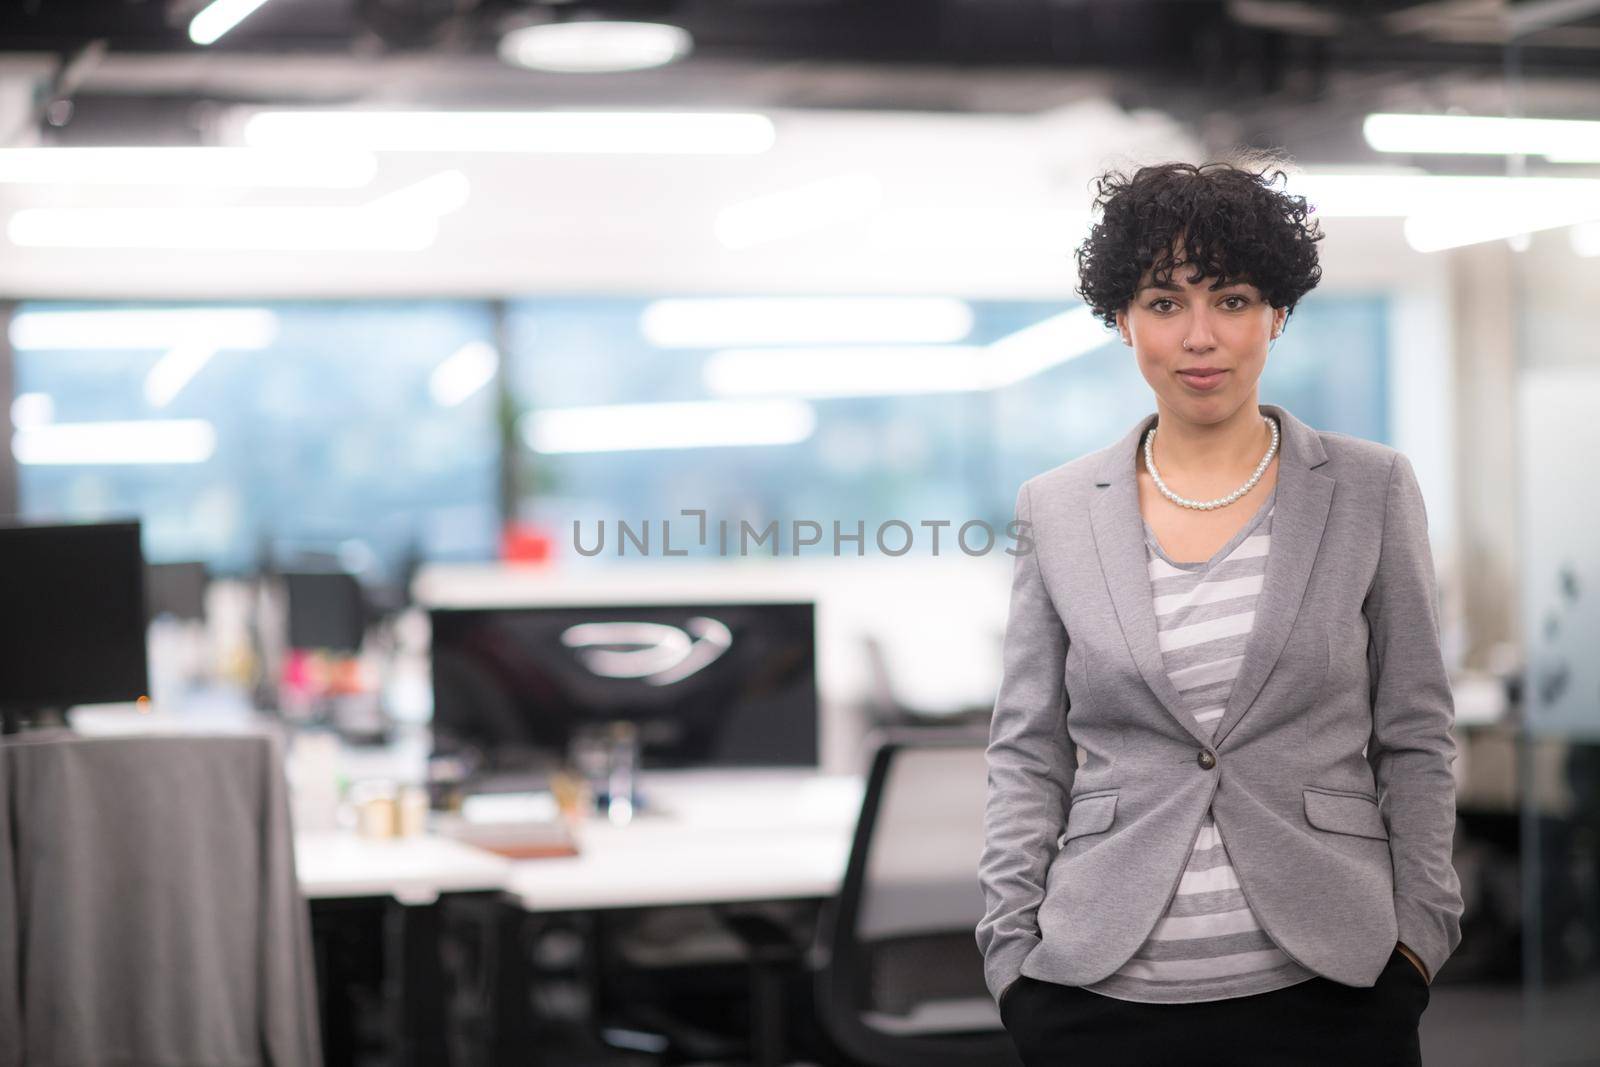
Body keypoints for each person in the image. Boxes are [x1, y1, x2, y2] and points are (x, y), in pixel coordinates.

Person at [976, 159, 1463, 1066]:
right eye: (1164, 302)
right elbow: (1028, 747)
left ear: (1276, 313)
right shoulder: (1056, 505)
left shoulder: (1369, 486)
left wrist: (1419, 939)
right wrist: (1011, 955)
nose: (1201, 336)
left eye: (1232, 299)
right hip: (1098, 992)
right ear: (1123, 321)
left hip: (1335, 984)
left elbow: (1416, 731)